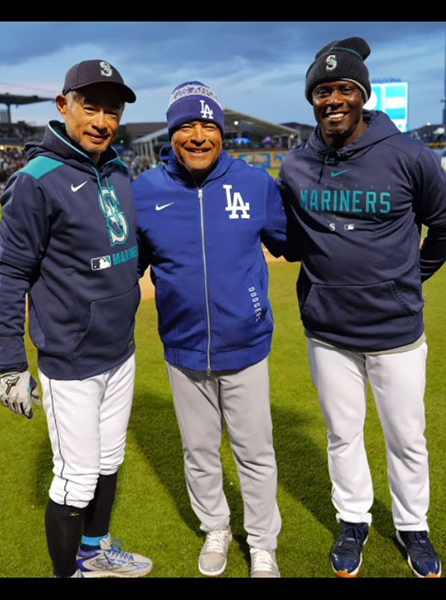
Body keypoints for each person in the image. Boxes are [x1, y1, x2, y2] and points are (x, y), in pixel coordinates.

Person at [277, 37, 446, 579]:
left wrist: (411, 275)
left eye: (343, 89)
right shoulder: (295, 165)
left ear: (361, 95)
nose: (332, 99)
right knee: (342, 435)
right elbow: (289, 238)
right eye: (322, 91)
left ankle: (413, 526)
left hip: (396, 330)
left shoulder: (408, 154)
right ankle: (353, 519)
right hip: (328, 332)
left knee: (406, 437)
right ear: (312, 99)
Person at [0, 59, 152, 579]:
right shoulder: (35, 180)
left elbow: (127, 248)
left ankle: (95, 552)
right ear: (63, 106)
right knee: (75, 479)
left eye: (112, 109)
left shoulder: (121, 169)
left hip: (120, 349)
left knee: (110, 462)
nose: (102, 120)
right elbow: (11, 273)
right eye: (90, 106)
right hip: (71, 358)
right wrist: (11, 364)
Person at [133, 81, 286, 578]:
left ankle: (263, 543)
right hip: (183, 348)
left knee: (255, 451)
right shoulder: (145, 191)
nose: (197, 136)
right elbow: (124, 268)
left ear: (222, 131)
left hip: (246, 345)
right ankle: (216, 528)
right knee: (198, 450)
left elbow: (296, 242)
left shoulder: (255, 184)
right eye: (186, 126)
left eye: (207, 126)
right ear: (171, 133)